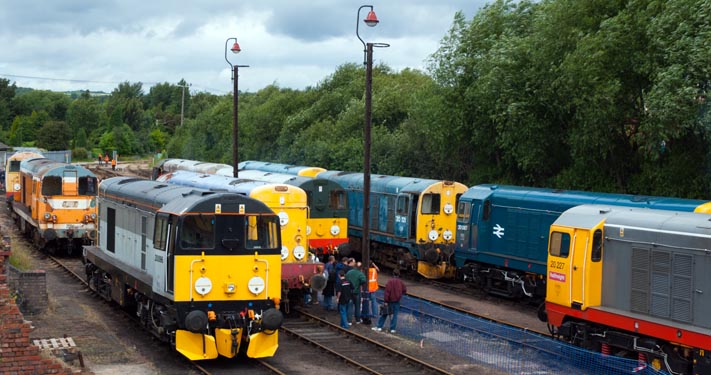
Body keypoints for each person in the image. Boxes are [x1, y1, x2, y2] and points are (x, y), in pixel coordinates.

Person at [372, 268, 407, 333]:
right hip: (397, 301)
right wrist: (400, 295)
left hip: (390, 301)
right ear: (399, 274)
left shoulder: (390, 282)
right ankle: (392, 329)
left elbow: (387, 292)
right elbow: (404, 290)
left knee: (384, 314)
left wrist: (386, 301)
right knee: (395, 315)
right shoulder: (401, 282)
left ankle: (379, 327)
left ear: (393, 274)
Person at [345, 260, 366, 324]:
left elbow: (346, 279)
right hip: (357, 292)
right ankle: (357, 320)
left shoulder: (349, 272)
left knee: (349, 306)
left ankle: (349, 321)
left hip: (349, 291)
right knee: (357, 306)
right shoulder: (360, 273)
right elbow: (363, 280)